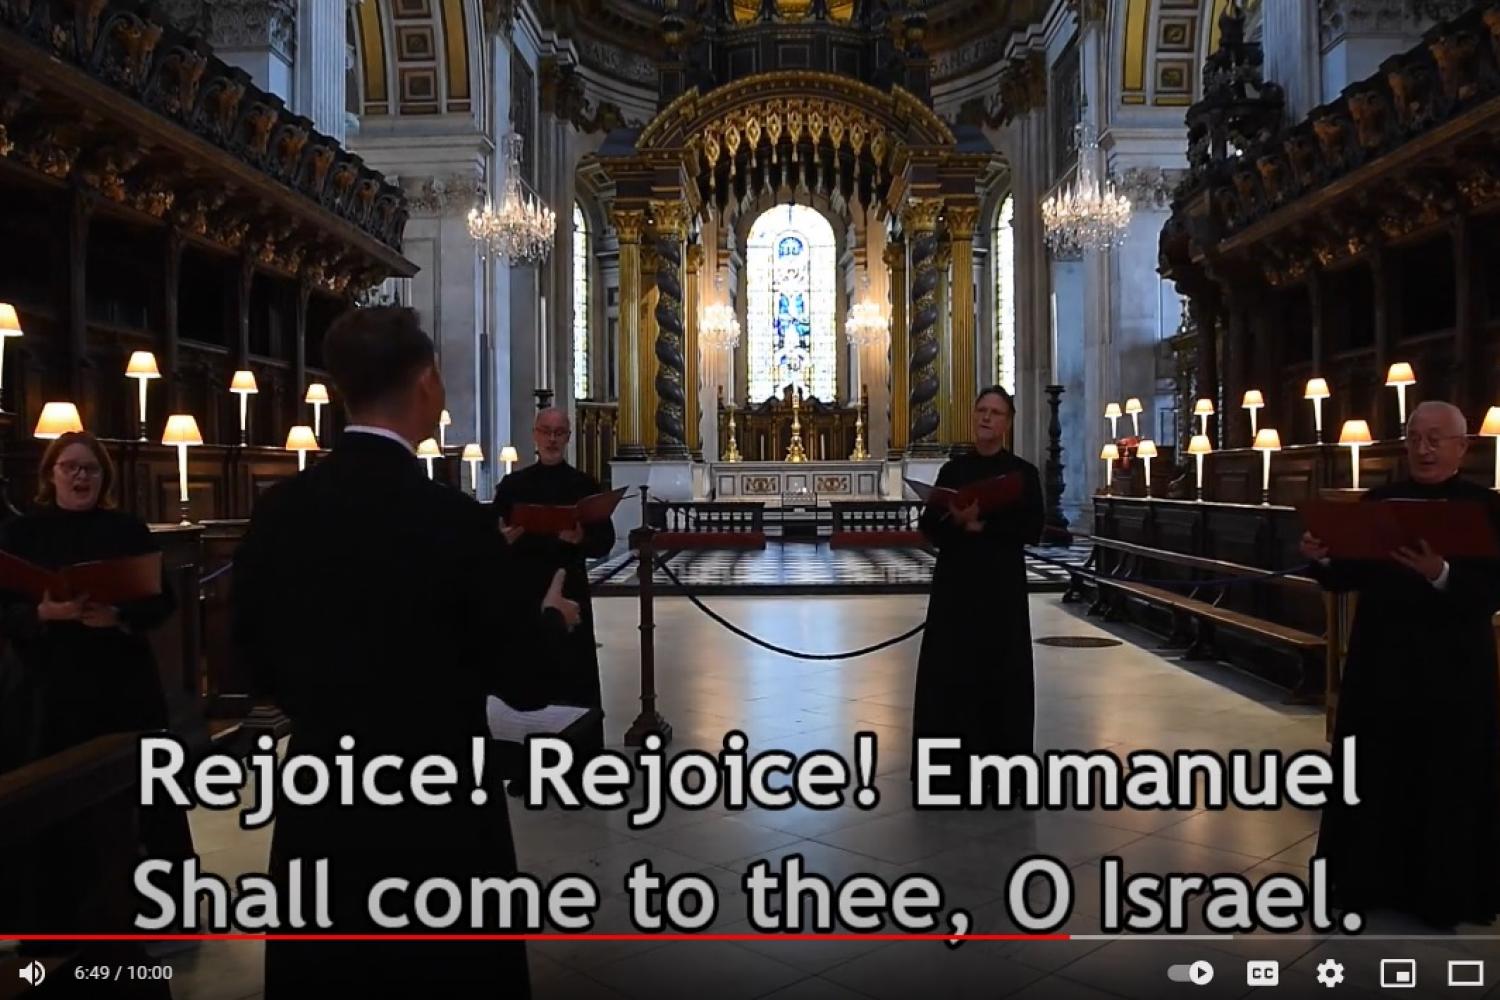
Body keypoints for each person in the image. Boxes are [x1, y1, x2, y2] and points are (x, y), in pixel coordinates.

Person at [231, 306, 579, 996]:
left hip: (326, 790)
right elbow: (526, 681)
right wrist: (551, 619)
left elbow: (251, 664)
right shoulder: (452, 521)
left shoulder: (280, 511)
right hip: (439, 800)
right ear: (426, 382)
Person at [1301, 400, 1500, 928]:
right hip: (1382, 666)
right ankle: (1364, 882)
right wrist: (1323, 558)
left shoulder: (1487, 507)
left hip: (1454, 671)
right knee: (1373, 773)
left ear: (1462, 446)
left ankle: (1443, 895)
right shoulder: (1381, 501)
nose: (1424, 447)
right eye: (1415, 437)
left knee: (1448, 778)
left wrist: (1442, 574)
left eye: (1437, 438)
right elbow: (1349, 575)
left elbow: (1493, 592)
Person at [0, 432, 189, 936]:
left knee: (148, 792)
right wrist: (40, 612)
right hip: (49, 686)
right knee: (53, 795)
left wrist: (120, 615)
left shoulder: (126, 529)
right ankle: (50, 917)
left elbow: (161, 599)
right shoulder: (21, 535)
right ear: (50, 475)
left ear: (104, 478)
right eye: (70, 468)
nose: (81, 477)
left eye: (91, 469)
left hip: (121, 682)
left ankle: (162, 910)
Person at [911, 387, 1045, 796]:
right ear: (973, 417)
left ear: (1008, 421)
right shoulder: (954, 472)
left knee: (1001, 674)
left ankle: (1003, 772)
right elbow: (927, 528)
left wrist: (980, 524)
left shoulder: (1024, 474)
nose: (987, 418)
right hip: (956, 587)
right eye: (981, 410)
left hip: (1001, 589)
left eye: (996, 412)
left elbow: (1032, 529)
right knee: (950, 675)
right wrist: (954, 519)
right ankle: (948, 771)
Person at [492, 407, 614, 783]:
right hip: (524, 592)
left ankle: (579, 768)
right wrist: (502, 539)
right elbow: (491, 538)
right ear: (534, 434)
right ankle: (527, 769)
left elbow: (605, 542)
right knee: (529, 675)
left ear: (570, 437)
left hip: (570, 588)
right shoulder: (512, 487)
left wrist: (582, 538)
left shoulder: (584, 484)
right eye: (546, 431)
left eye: (560, 432)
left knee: (573, 675)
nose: (552, 439)